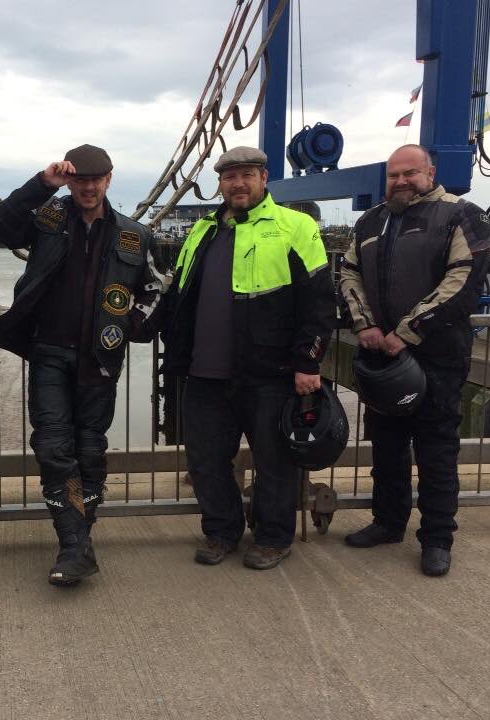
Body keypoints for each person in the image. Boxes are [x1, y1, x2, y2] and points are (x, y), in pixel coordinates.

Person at [0, 144, 165, 586]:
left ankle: (78, 543)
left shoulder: (133, 234)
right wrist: (42, 184)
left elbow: (155, 287)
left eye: (95, 179)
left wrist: (130, 324)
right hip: (48, 352)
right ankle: (73, 544)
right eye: (80, 179)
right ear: (70, 181)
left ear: (109, 180)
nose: (88, 187)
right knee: (52, 447)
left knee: (89, 450)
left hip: (100, 358)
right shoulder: (47, 220)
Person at [161, 146, 335, 570]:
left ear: (264, 178)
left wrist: (308, 362)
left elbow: (318, 302)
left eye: (247, 175)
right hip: (205, 373)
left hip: (269, 374)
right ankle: (221, 532)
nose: (238, 183)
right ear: (220, 183)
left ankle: (274, 538)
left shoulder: (296, 227)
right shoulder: (201, 230)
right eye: (229, 176)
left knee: (274, 463)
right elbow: (177, 295)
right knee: (205, 461)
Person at [339, 144, 490, 576]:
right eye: (394, 175)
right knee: (386, 447)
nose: (401, 181)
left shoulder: (462, 215)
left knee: (436, 452)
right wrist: (365, 325)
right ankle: (388, 522)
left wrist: (407, 332)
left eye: (410, 173)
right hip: (381, 359)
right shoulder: (370, 222)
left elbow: (464, 280)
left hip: (437, 359)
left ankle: (437, 538)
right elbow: (349, 272)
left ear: (431, 173)